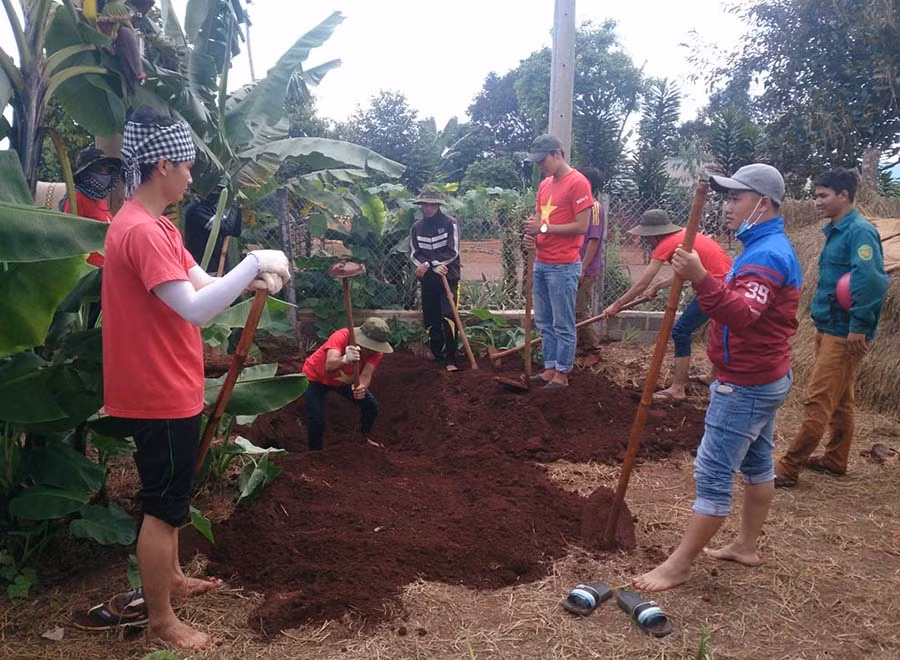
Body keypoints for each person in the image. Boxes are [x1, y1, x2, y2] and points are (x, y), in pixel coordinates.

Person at [102, 105, 291, 650]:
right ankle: (161, 621)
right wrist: (254, 263)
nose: (191, 176)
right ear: (162, 165)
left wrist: (250, 279)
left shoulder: (158, 226)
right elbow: (194, 309)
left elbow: (206, 282)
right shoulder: (139, 231)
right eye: (187, 166)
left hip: (169, 383)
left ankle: (174, 581)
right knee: (163, 508)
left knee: (174, 496)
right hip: (155, 390)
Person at [633, 164, 802, 592]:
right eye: (726, 198)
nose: (728, 207)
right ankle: (746, 546)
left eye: (736, 198)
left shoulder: (767, 254)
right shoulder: (761, 245)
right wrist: (705, 280)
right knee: (758, 463)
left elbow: (743, 315)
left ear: (763, 203)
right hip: (766, 376)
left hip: (745, 383)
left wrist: (702, 278)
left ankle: (678, 565)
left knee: (712, 472)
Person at [775, 168, 889, 488]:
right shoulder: (836, 230)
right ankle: (836, 458)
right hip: (828, 325)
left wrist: (859, 327)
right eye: (815, 195)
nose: (816, 202)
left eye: (823, 195)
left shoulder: (860, 232)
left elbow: (871, 281)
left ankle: (788, 466)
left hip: (843, 332)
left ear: (844, 195)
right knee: (841, 399)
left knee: (818, 399)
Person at [604, 209, 733, 401]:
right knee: (718, 327)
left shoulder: (666, 243)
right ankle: (713, 376)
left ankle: (678, 389)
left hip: (715, 287)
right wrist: (659, 286)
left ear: (655, 234)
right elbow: (683, 272)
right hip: (728, 282)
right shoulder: (682, 235)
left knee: (681, 331)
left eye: (647, 237)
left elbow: (642, 282)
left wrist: (617, 304)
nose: (646, 241)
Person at [523, 134, 593, 389]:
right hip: (542, 261)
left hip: (563, 265)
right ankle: (549, 367)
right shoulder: (544, 185)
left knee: (563, 321)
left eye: (543, 160)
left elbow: (582, 226)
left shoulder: (578, 183)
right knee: (544, 320)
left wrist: (543, 229)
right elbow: (541, 221)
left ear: (558, 153)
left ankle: (562, 373)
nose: (541, 166)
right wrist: (533, 235)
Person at [301, 317, 394, 450]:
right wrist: (345, 359)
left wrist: (361, 387)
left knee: (371, 407)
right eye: (369, 346)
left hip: (344, 381)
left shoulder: (377, 352)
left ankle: (363, 438)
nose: (371, 351)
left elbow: (366, 375)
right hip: (316, 377)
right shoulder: (341, 337)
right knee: (316, 418)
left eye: (375, 347)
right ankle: (315, 453)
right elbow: (329, 366)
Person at [409, 188, 461, 371]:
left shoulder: (450, 223)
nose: (428, 208)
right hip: (428, 279)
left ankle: (451, 358)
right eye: (425, 204)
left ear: (438, 205)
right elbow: (415, 253)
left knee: (448, 316)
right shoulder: (417, 227)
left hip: (449, 278)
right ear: (421, 206)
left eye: (432, 204)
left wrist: (432, 264)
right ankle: (436, 354)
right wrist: (429, 265)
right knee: (431, 317)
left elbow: (452, 251)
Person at [61, 146, 122, 268]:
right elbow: (70, 240)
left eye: (108, 170)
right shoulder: (76, 199)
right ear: (85, 173)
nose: (104, 174)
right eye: (99, 170)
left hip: (107, 269)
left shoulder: (99, 199)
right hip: (90, 272)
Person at [574, 166, 606, 362]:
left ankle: (593, 350)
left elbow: (594, 240)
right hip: (576, 265)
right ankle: (581, 346)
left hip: (585, 268)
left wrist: (583, 267)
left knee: (580, 310)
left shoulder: (594, 208)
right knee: (573, 309)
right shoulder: (582, 208)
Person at [184, 190, 243, 275]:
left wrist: (238, 207)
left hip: (219, 265)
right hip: (205, 268)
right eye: (214, 189)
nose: (217, 193)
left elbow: (235, 231)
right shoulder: (197, 210)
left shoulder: (212, 208)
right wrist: (234, 202)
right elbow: (227, 228)